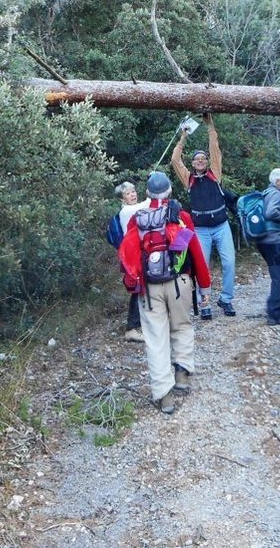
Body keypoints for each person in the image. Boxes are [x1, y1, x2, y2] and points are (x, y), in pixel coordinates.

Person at [118, 171, 212, 414]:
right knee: (181, 326)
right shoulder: (180, 216)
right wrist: (204, 286)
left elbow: (127, 254)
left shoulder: (136, 219)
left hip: (149, 288)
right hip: (180, 282)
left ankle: (164, 395)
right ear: (170, 191)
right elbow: (196, 254)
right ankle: (181, 376)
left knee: (155, 339)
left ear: (147, 194)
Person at [171, 113, 236, 318]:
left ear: (207, 162)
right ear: (192, 163)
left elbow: (215, 149)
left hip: (221, 226)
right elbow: (175, 159)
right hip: (200, 230)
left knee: (229, 262)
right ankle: (205, 303)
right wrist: (184, 136)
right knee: (202, 267)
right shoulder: (188, 179)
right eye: (196, 159)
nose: (200, 161)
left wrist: (210, 126)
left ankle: (226, 299)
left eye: (203, 159)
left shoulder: (214, 173)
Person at [111, 181, 148, 342]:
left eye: (133, 191)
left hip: (137, 254)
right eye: (128, 193)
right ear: (122, 199)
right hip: (132, 256)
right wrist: (153, 191)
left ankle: (139, 324)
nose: (132, 194)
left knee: (142, 288)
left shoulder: (135, 207)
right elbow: (145, 205)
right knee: (137, 290)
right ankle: (132, 328)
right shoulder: (127, 211)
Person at [257, 168, 280, 325]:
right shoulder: (276, 194)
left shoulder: (266, 192)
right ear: (278, 181)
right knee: (279, 274)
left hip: (264, 240)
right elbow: (271, 213)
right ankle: (275, 313)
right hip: (272, 241)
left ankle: (274, 306)